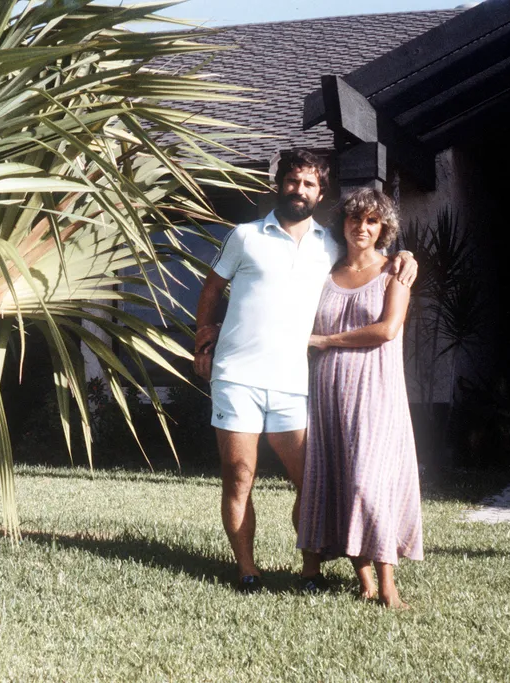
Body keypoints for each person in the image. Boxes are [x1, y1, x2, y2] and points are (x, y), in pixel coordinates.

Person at [193, 149, 417, 593]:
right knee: (239, 475)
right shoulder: (245, 236)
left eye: (309, 184)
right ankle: (248, 570)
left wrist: (405, 254)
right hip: (237, 375)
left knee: (311, 482)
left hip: (295, 379)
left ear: (320, 192)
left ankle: (310, 565)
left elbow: (371, 253)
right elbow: (212, 287)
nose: (299, 190)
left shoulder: (328, 246)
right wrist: (203, 338)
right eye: (293, 181)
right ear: (280, 183)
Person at [297, 188, 423, 609]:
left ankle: (389, 586)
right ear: (344, 224)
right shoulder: (325, 274)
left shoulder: (395, 272)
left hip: (376, 393)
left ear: (384, 228)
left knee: (369, 484)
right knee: (338, 477)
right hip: (329, 392)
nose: (362, 228)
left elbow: (387, 329)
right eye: (355, 219)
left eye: (372, 221)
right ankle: (364, 579)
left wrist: (326, 339)